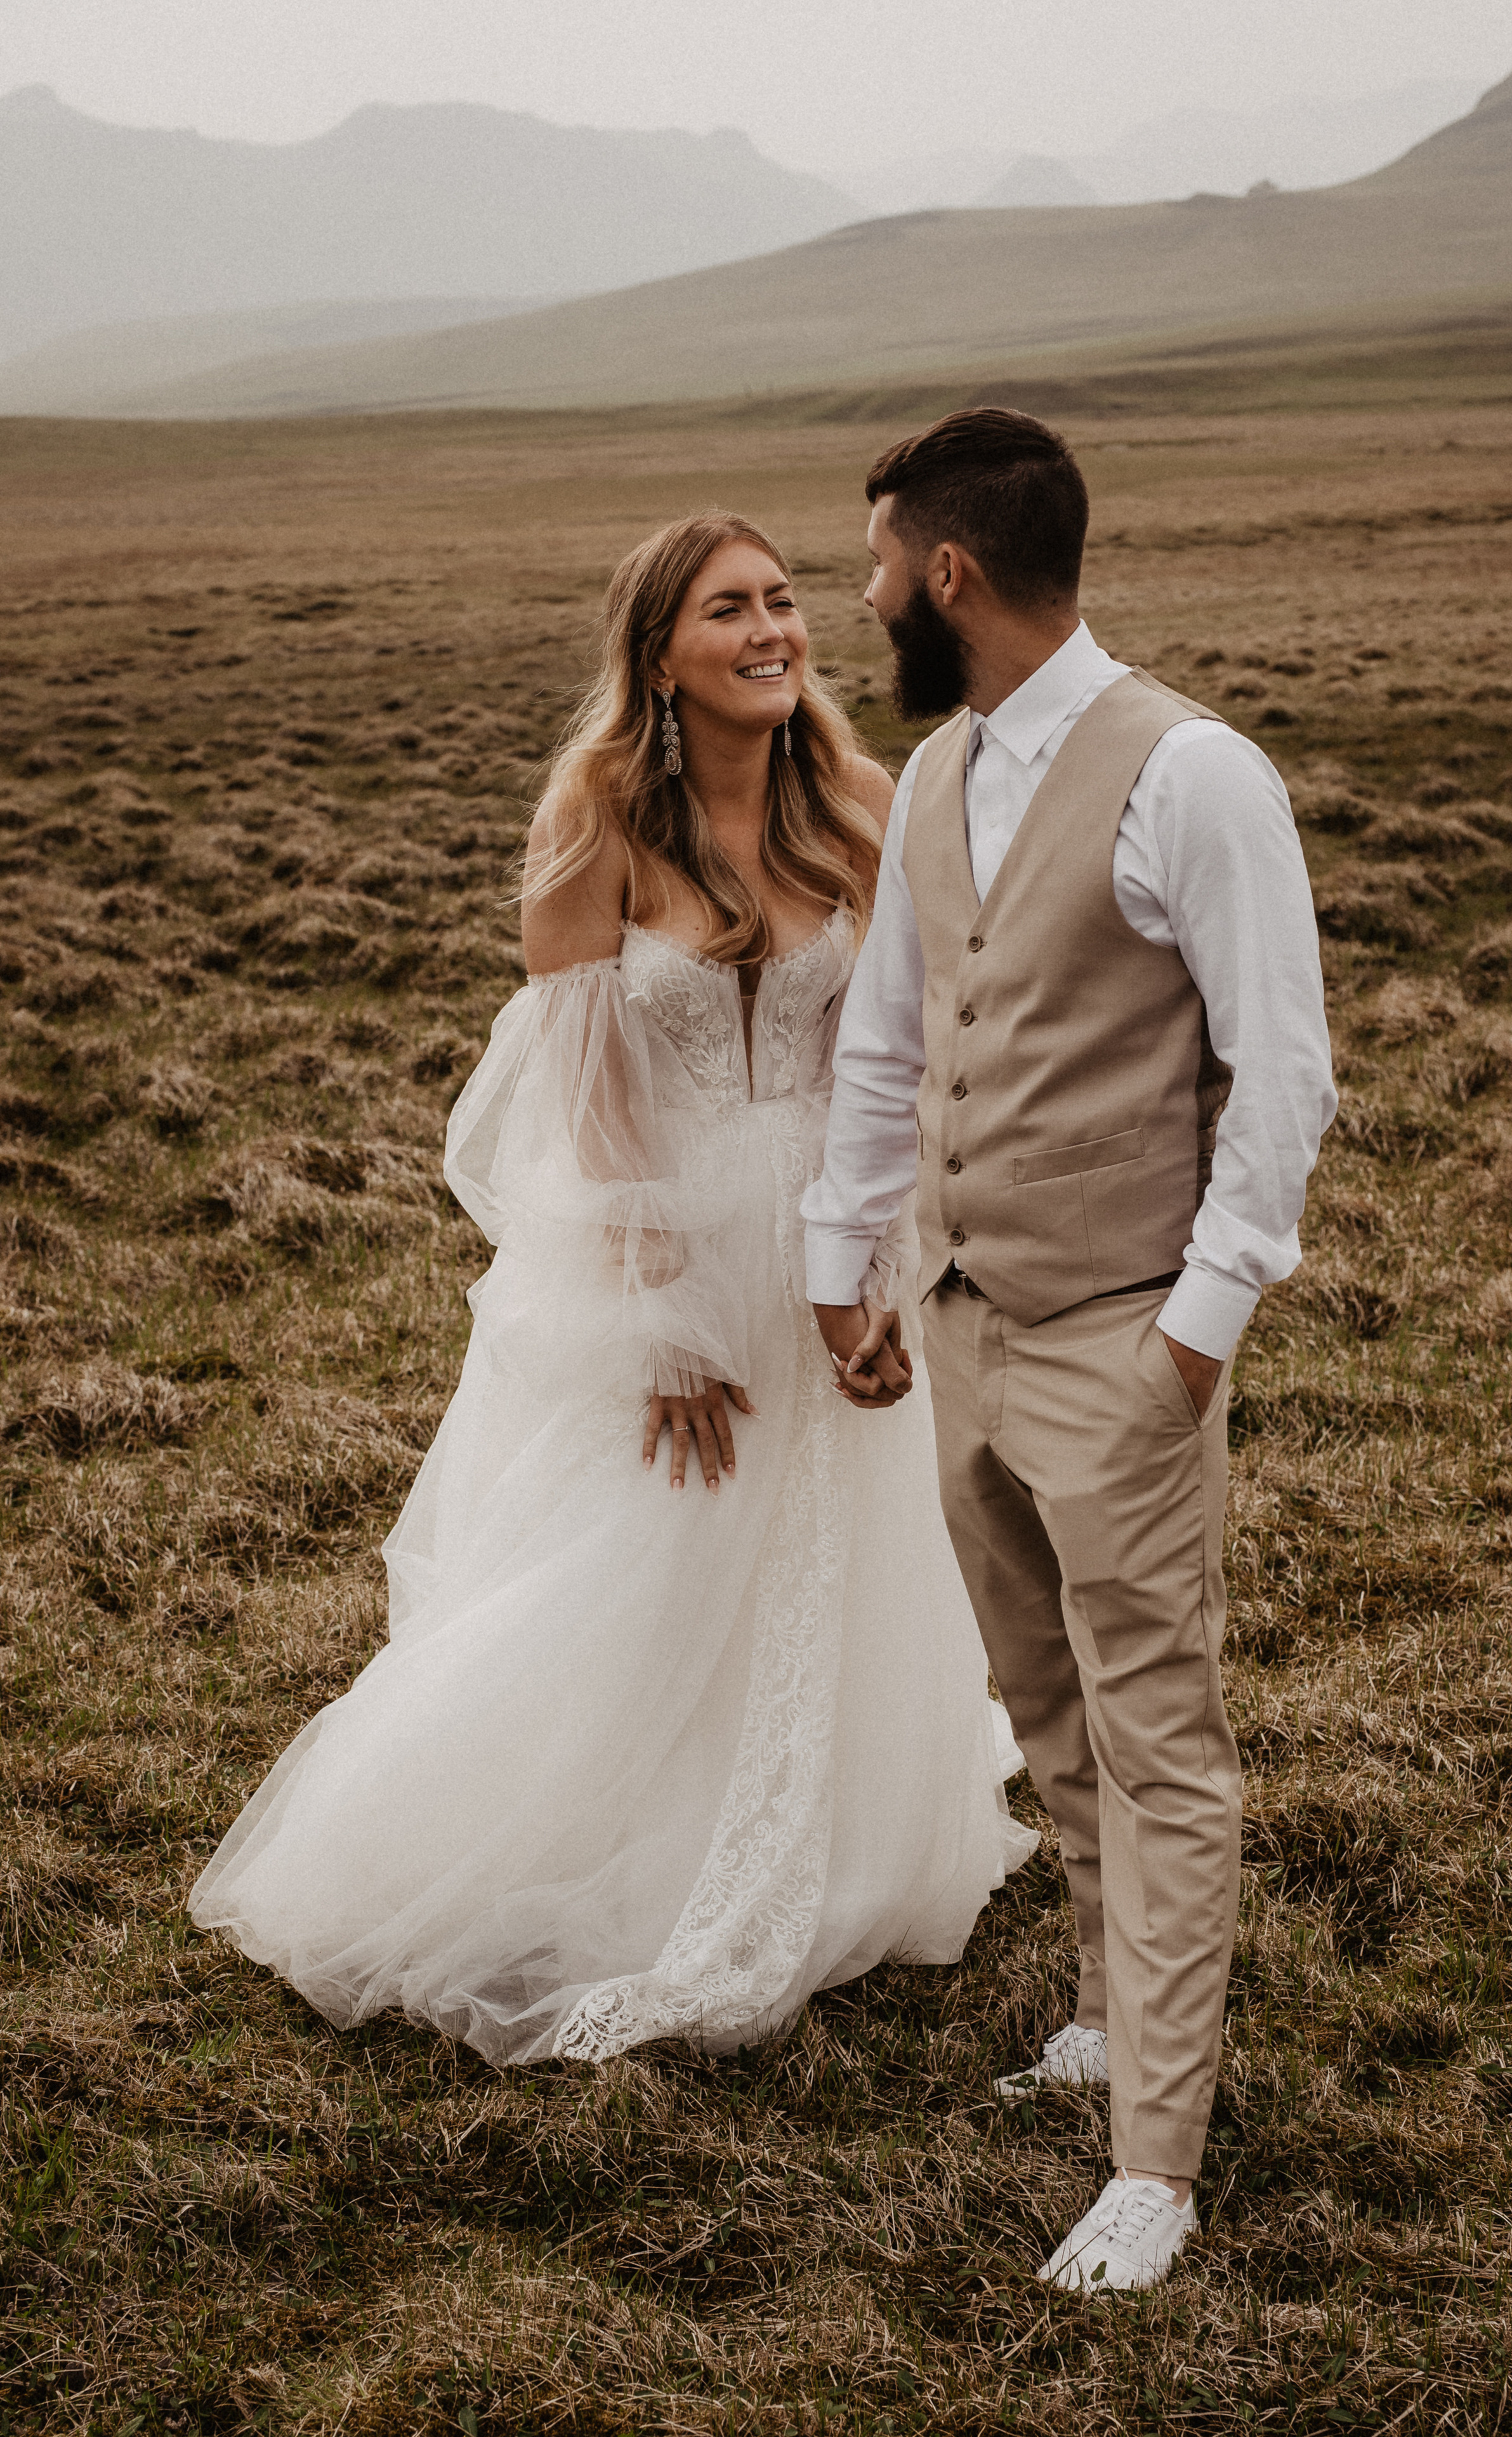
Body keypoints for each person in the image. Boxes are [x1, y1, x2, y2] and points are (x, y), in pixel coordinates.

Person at [188, 510, 1035, 2066]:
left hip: (841, 1223)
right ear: (659, 657)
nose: (773, 630)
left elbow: (909, 1043)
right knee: (646, 1541)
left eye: (785, 600)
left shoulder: (859, 798)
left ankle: (825, 1829)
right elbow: (583, 1092)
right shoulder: (594, 813)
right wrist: (659, 1322)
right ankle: (579, 1843)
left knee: (837, 1534)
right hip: (661, 1235)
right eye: (730, 611)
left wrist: (876, 1271)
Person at [802, 409, 1337, 2293]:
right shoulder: (936, 772)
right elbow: (891, 1036)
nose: (860, 596)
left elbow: (1285, 1070)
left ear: (949, 573)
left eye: (874, 564)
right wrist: (843, 1259)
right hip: (962, 1330)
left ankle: (1159, 2166)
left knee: (1161, 1733)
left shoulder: (1194, 775)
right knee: (1051, 1716)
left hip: (1124, 1343)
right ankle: (1117, 2009)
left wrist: (1196, 1337)